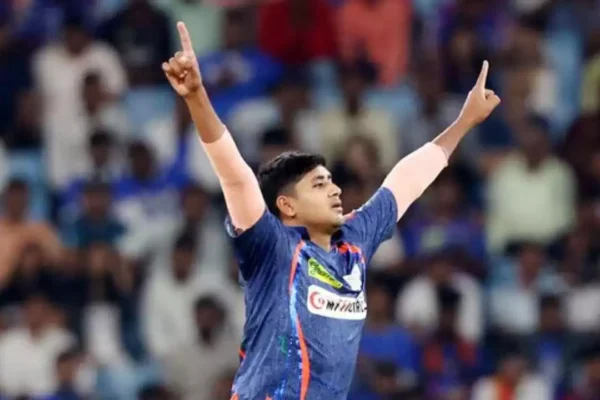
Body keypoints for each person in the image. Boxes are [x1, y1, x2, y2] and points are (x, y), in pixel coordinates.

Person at [162, 22, 500, 400]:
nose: (336, 190)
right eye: (319, 185)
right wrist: (197, 97)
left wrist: (464, 122)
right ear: (287, 205)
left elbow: (405, 180)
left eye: (332, 181)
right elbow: (237, 179)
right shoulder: (271, 246)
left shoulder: (355, 240)